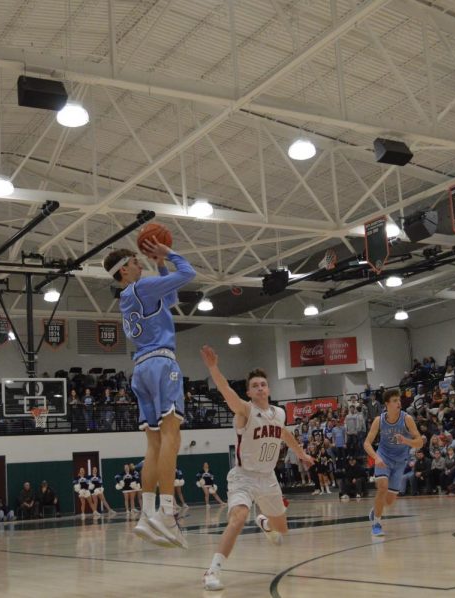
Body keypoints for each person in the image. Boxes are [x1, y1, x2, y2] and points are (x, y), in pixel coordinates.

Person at [104, 237, 195, 549]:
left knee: (154, 445)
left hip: (140, 369)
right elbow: (188, 274)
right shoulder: (141, 288)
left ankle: (146, 515)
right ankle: (167, 515)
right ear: (123, 271)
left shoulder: (128, 297)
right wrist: (169, 254)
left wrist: (158, 265)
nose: (138, 263)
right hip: (160, 363)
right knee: (173, 437)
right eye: (133, 261)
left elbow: (168, 301)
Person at [198, 345, 314, 591]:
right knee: (238, 518)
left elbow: (285, 435)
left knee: (281, 530)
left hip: (268, 478)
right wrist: (213, 368)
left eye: (263, 384)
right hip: (244, 477)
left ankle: (265, 521)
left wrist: (301, 453)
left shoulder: (280, 413)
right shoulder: (245, 410)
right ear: (249, 392)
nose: (260, 387)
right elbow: (225, 390)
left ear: (268, 388)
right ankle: (212, 571)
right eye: (255, 385)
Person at [363, 388, 425, 536]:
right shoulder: (379, 420)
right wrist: (376, 457)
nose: (399, 403)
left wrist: (406, 440)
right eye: (395, 400)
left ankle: (375, 510)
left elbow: (420, 443)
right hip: (383, 458)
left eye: (399, 400)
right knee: (382, 487)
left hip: (400, 462)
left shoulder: (407, 419)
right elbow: (366, 443)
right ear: (387, 404)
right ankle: (377, 524)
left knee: (389, 501)